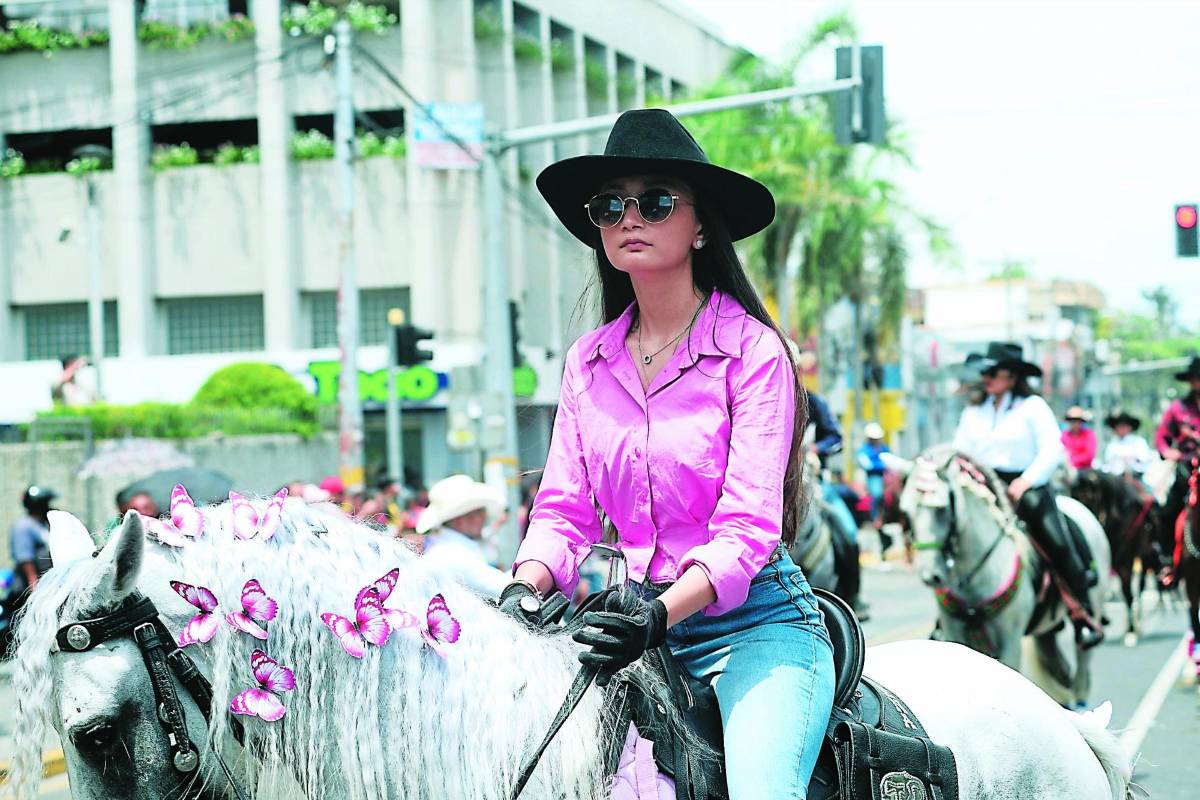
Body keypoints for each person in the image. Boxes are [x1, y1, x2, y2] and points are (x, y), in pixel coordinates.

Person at [499, 109, 834, 799]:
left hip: (754, 628)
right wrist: (521, 589)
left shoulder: (754, 353)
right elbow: (562, 510)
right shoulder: (587, 364)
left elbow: (746, 531)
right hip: (631, 625)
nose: (629, 218)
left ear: (701, 225)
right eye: (609, 206)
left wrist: (658, 614)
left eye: (654, 202)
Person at [953, 342, 1103, 648]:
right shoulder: (974, 411)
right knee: (950, 535)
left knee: (1056, 539)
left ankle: (1082, 612)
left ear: (1011, 376)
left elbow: (1053, 448)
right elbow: (961, 449)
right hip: (981, 485)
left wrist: (1026, 480)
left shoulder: (1032, 407)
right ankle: (947, 618)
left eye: (993, 373)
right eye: (985, 373)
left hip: (1025, 485)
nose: (987, 379)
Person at [417, 474, 509, 598]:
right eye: (479, 512)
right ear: (460, 520)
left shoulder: (447, 547)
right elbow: (504, 587)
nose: (484, 517)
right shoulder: (453, 553)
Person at [1154, 356, 1200, 576]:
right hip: (1186, 467)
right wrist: (1166, 451)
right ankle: (1167, 562)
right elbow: (1162, 437)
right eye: (1195, 379)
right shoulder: (1178, 408)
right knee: (1167, 511)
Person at [9, 486, 56, 600]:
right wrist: (35, 592)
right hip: (28, 591)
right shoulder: (23, 526)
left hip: (46, 586)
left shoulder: (42, 524)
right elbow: (25, 560)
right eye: (44, 502)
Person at [1102, 410, 1152, 477]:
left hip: (1135, 476)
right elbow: (1108, 464)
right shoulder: (1112, 445)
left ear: (1130, 427)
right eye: (1119, 425)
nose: (1122, 428)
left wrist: (1131, 459)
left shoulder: (1139, 442)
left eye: (1124, 426)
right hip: (1115, 478)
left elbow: (1144, 460)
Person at [1061, 406, 1097, 472]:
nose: (1075, 423)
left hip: (1084, 471)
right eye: (1072, 421)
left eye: (1077, 421)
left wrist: (1072, 461)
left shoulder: (1089, 434)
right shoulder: (1064, 435)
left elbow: (1089, 455)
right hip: (1067, 470)